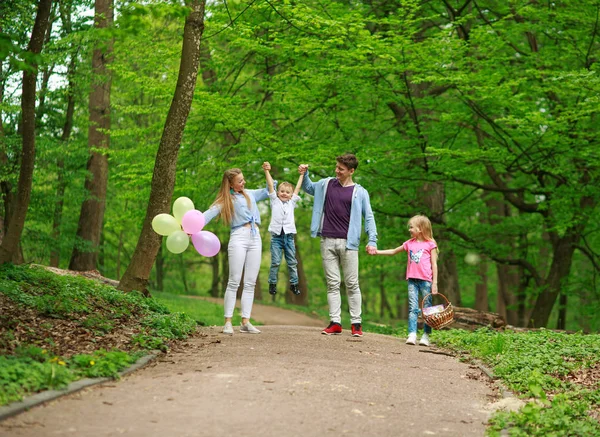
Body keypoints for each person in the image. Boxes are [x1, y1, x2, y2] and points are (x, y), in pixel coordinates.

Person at [298, 154, 377, 338]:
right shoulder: (326, 184)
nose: (337, 171)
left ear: (351, 171)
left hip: (349, 244)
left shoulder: (360, 192)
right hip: (327, 240)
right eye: (336, 167)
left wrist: (372, 240)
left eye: (341, 169)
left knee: (352, 283)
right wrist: (305, 173)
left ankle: (356, 324)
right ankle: (335, 322)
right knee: (332, 284)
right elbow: (308, 187)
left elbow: (369, 217)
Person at [203, 167, 270, 335]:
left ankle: (246, 321)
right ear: (231, 184)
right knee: (234, 281)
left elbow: (270, 189)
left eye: (243, 179)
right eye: (240, 181)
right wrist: (191, 226)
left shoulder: (250, 194)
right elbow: (208, 214)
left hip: (255, 237)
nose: (244, 182)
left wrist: (267, 172)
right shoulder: (226, 200)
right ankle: (227, 321)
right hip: (239, 237)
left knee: (250, 282)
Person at [372, 215, 438, 346]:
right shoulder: (409, 243)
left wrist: (435, 283)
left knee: (427, 309)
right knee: (413, 308)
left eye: (412, 227)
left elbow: (434, 264)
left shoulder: (430, 244)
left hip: (426, 281)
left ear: (420, 229)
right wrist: (377, 251)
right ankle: (412, 334)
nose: (409, 229)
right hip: (412, 280)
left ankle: (426, 335)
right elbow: (393, 251)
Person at [262, 162, 304, 296]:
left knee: (292, 262)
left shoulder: (292, 203)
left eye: (287, 192)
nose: (284, 194)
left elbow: (298, 187)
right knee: (275, 262)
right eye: (282, 191)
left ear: (291, 195)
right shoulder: (274, 200)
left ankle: (294, 284)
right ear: (278, 192)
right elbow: (270, 185)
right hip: (276, 238)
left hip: (289, 238)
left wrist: (302, 175)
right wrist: (266, 171)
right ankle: (272, 283)